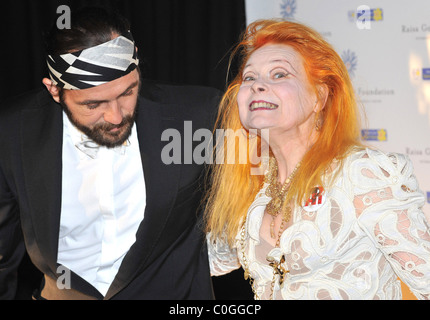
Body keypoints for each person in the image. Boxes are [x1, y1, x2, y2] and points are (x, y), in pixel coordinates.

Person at [0, 7, 219, 300]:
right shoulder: (13, 132)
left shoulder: (198, 116)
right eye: (94, 104)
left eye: (127, 92)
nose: (116, 117)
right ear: (54, 90)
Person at [204, 19, 430, 300]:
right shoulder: (248, 189)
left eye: (279, 74)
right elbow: (197, 262)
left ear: (319, 97)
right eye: (249, 77)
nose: (258, 86)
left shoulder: (361, 173)